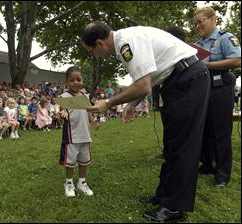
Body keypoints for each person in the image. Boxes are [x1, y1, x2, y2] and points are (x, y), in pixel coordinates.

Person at [81, 21, 210, 222]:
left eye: (92, 51)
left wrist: (108, 103)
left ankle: (174, 207)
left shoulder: (127, 44)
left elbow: (142, 86)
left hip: (187, 79)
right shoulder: (127, 40)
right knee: (171, 143)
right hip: (177, 80)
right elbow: (150, 78)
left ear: (99, 43)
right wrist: (132, 104)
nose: (95, 56)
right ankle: (164, 195)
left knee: (183, 145)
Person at [193, 7, 241, 187]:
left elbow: (237, 60)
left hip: (221, 87)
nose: (198, 26)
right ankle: (208, 163)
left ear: (213, 19)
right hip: (203, 88)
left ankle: (222, 174)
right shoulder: (198, 43)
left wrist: (207, 65)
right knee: (204, 129)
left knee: (220, 131)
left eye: (201, 22)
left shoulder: (225, 38)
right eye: (195, 24)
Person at [59, 66, 99, 197]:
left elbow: (88, 111)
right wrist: (63, 112)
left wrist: (93, 121)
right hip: (71, 136)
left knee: (84, 160)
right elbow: (62, 110)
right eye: (72, 80)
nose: (76, 82)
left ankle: (82, 182)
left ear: (82, 81)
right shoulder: (64, 96)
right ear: (67, 82)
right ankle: (69, 183)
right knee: (70, 161)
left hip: (85, 135)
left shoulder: (84, 96)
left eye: (78, 79)